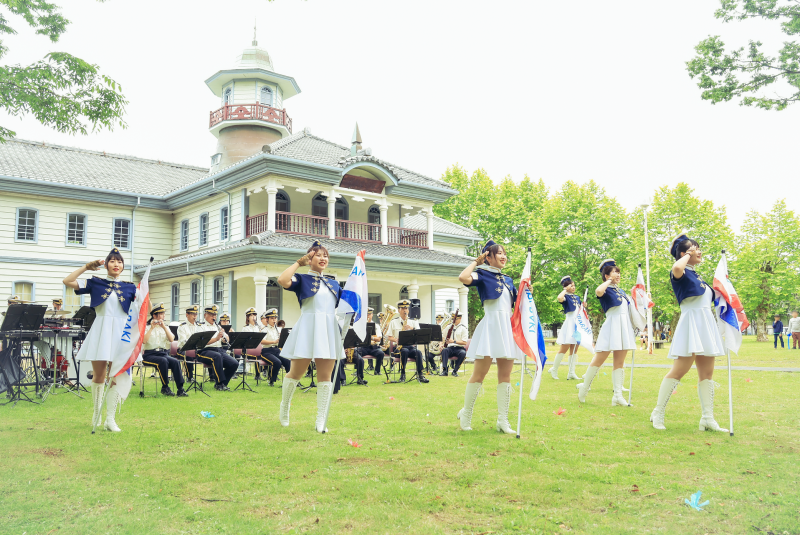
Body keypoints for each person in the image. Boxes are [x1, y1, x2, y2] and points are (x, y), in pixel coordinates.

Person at [650, 234, 728, 432]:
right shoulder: (680, 272)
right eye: (694, 248)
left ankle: (707, 418)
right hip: (691, 323)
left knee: (707, 373)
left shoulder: (696, 275)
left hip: (705, 323)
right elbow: (677, 267)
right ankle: (658, 412)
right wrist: (685, 254)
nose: (699, 251)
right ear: (685, 254)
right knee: (679, 370)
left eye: (698, 248)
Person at [62, 247, 137, 433]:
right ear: (106, 265)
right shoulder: (96, 283)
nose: (116, 264)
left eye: (119, 261)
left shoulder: (130, 286)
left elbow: (144, 308)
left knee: (117, 375)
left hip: (122, 332)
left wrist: (145, 290)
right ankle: (97, 414)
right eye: (112, 261)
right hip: (101, 329)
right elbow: (67, 281)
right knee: (99, 376)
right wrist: (87, 267)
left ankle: (110, 419)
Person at [457, 239, 525, 434]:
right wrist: (476, 263)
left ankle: (503, 421)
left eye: (505, 253)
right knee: (480, 374)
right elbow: (463, 277)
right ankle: (466, 413)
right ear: (489, 256)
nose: (504, 256)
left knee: (505, 376)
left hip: (506, 328)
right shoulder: (482, 274)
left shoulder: (509, 279)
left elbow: (516, 305)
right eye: (499, 253)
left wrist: (525, 294)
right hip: (490, 326)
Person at [277, 240, 345, 433]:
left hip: (328, 329)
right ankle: (285, 407)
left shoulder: (333, 283)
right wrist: (299, 263)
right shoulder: (302, 279)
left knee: (325, 377)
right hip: (308, 327)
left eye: (326, 255)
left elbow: (344, 307)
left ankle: (321, 419)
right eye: (318, 255)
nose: (323, 258)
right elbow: (282, 280)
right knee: (296, 374)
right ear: (310, 258)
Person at [577, 259, 636, 406]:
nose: (618, 274)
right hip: (612, 325)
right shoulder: (605, 289)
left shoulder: (620, 291)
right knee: (599, 359)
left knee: (620, 362)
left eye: (618, 272)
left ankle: (617, 395)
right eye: (615, 271)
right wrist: (608, 281)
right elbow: (598, 291)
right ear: (607, 275)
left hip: (623, 326)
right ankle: (584, 388)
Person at [142, 303, 187, 397]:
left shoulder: (165, 327)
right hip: (149, 355)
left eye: (163, 313)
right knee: (163, 361)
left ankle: (180, 389)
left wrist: (164, 328)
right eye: (161, 314)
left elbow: (171, 339)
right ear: (155, 315)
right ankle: (165, 387)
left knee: (175, 362)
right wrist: (151, 328)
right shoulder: (146, 327)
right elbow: (144, 341)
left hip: (163, 353)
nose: (164, 315)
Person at [195, 305, 238, 391]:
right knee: (217, 356)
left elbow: (227, 339)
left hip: (219, 350)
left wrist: (224, 338)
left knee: (234, 363)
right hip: (204, 351)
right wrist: (216, 339)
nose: (214, 317)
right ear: (205, 315)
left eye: (215, 315)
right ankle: (219, 384)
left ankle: (223, 383)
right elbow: (201, 342)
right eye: (211, 314)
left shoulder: (217, 326)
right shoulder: (200, 326)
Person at [386, 300, 429, 383]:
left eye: (406, 308)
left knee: (419, 352)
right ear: (399, 310)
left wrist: (412, 329)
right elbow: (389, 337)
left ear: (408, 310)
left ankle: (420, 375)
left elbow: (419, 334)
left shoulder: (413, 321)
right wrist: (396, 340)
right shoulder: (393, 322)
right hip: (399, 347)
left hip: (410, 346)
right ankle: (403, 374)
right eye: (402, 308)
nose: (405, 310)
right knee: (404, 351)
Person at [549, 276, 583, 381]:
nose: (573, 287)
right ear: (566, 287)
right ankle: (554, 369)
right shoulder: (565, 296)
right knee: (564, 348)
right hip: (569, 323)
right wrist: (565, 289)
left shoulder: (576, 297)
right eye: (571, 285)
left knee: (574, 349)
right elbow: (559, 298)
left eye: (574, 285)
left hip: (577, 323)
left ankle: (571, 373)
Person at [259, 309, 288, 386]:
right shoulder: (264, 330)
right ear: (267, 319)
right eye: (272, 318)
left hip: (276, 350)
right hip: (266, 351)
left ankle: (290, 380)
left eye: (275, 318)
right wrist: (274, 342)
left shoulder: (278, 329)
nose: (274, 320)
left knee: (287, 361)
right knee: (277, 362)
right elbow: (262, 341)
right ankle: (271, 380)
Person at [440, 312, 468, 376]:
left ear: (460, 318)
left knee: (463, 353)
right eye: (453, 319)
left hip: (459, 348)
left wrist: (453, 341)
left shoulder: (463, 328)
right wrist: (441, 344)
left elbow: (464, 342)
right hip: (450, 347)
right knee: (444, 350)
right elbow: (443, 337)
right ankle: (445, 370)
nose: (454, 321)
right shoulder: (448, 327)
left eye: (456, 319)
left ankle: (455, 371)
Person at [177, 305, 201, 380]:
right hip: (183, 349)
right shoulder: (182, 326)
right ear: (187, 315)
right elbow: (183, 341)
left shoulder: (199, 326)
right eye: (193, 314)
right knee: (188, 355)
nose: (195, 316)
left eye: (196, 314)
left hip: (197, 349)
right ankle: (189, 377)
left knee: (209, 352)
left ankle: (212, 376)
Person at [359, 307, 384, 376]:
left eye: (369, 314)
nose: (368, 316)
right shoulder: (360, 325)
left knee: (381, 353)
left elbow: (379, 339)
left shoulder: (376, 326)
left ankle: (377, 371)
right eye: (366, 314)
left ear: (372, 314)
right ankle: (359, 371)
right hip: (364, 347)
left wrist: (371, 337)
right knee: (357, 352)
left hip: (373, 347)